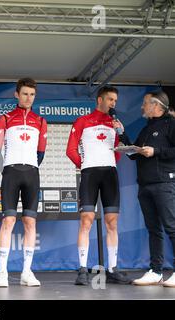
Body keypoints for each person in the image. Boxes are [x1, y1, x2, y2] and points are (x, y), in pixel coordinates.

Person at [66, 85, 132, 285]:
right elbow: (70, 149)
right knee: (86, 220)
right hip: (90, 174)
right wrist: (85, 165)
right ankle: (83, 270)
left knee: (112, 222)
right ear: (100, 100)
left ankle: (112, 269)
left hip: (110, 173)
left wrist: (110, 162)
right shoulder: (83, 121)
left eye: (115, 101)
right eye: (110, 99)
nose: (113, 104)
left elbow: (120, 149)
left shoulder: (115, 124)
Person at [115, 90, 175, 287]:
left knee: (171, 227)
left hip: (165, 183)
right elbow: (135, 153)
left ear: (156, 105)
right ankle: (156, 271)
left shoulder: (171, 124)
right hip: (145, 185)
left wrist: (155, 151)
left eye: (145, 103)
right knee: (153, 229)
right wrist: (122, 135)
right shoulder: (146, 129)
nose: (142, 106)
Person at [0, 78, 47, 287]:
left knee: (30, 222)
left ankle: (26, 271)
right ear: (16, 94)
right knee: (8, 221)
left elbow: (41, 152)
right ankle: (2, 272)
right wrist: (7, 171)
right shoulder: (5, 119)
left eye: (32, 94)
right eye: (24, 94)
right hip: (11, 173)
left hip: (32, 173)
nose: (28, 98)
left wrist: (30, 166)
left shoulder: (40, 121)